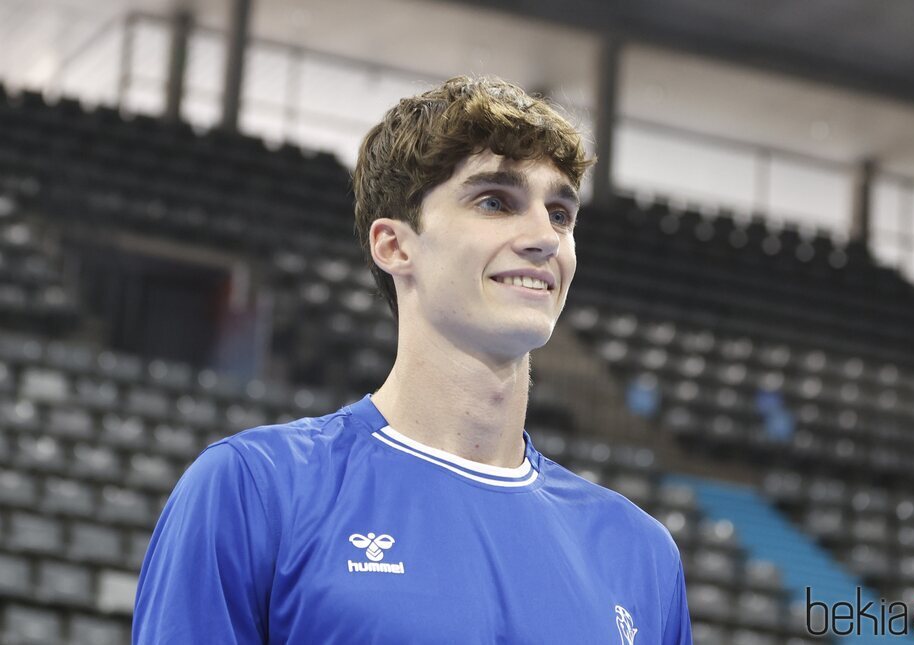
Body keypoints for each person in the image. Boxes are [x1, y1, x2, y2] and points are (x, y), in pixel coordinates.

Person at [133, 75, 692, 644]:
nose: (543, 237)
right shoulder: (256, 490)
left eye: (560, 213)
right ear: (395, 246)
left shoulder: (640, 554)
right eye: (496, 202)